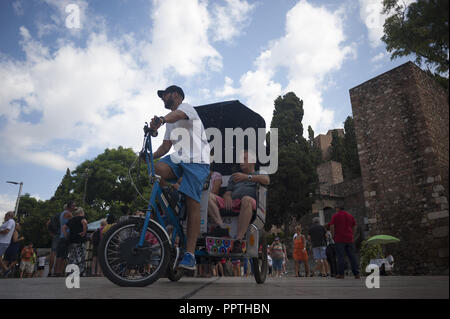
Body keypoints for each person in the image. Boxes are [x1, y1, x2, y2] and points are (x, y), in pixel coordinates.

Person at [150, 85, 210, 271]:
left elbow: (176, 116)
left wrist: (161, 119)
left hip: (198, 160)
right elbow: (165, 148)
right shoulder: (169, 122)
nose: (162, 98)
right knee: (156, 168)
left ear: (175, 94)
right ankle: (173, 191)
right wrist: (148, 155)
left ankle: (190, 255)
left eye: (164, 95)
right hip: (179, 159)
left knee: (193, 202)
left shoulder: (186, 108)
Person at [209, 150, 270, 253]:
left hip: (250, 202)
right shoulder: (235, 176)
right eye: (240, 160)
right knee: (208, 196)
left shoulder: (260, 173)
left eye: (244, 159)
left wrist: (247, 177)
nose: (241, 162)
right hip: (233, 202)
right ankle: (220, 226)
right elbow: (228, 192)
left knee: (246, 199)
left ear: (253, 161)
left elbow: (266, 180)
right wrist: (227, 196)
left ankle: (239, 239)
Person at [329, 206, 360, 279]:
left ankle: (341, 274)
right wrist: (352, 234)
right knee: (352, 256)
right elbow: (355, 226)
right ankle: (356, 274)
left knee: (340, 257)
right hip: (349, 239)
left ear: (338, 209)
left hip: (339, 239)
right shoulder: (350, 216)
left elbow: (332, 226)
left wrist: (333, 236)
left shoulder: (335, 216)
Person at [63, 207, 88, 276]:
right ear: (81, 212)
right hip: (80, 240)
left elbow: (64, 227)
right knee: (80, 256)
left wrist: (66, 235)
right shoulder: (82, 218)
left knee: (72, 256)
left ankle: (70, 271)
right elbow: (84, 222)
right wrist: (84, 232)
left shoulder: (71, 220)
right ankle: (80, 271)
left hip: (72, 240)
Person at [55, 201, 76, 277]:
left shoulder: (63, 213)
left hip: (62, 236)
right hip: (65, 236)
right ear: (69, 207)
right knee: (63, 255)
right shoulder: (68, 214)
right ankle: (60, 271)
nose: (74, 207)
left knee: (60, 255)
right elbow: (74, 222)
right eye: (73, 206)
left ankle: (57, 271)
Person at [206, 170, 230, 237]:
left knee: (206, 197)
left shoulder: (216, 175)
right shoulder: (199, 175)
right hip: (204, 201)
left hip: (216, 199)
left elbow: (215, 191)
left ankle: (220, 225)